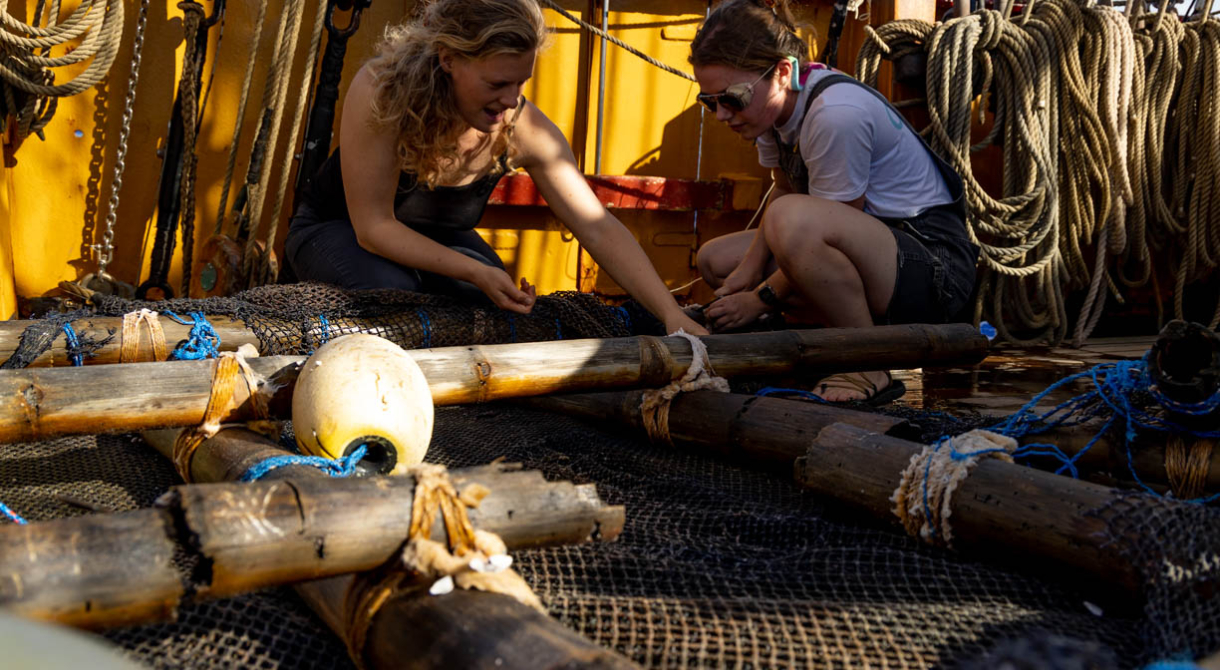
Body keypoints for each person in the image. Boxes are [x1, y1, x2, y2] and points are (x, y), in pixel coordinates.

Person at [286, 0, 706, 336]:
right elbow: (374, 228)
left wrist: (670, 313)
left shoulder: (524, 128)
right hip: (337, 230)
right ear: (449, 59)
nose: (511, 100)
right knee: (395, 295)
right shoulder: (383, 90)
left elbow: (597, 227)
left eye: (521, 83)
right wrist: (475, 270)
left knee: (498, 310)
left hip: (435, 243)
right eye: (497, 84)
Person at [689, 0, 978, 402]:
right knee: (717, 260)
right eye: (710, 101)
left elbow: (816, 227)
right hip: (873, 254)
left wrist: (759, 298)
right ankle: (808, 348)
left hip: (933, 271)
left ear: (782, 72)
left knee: (792, 221)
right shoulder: (770, 111)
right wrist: (748, 272)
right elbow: (784, 188)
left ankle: (866, 362)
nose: (722, 114)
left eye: (732, 98)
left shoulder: (835, 115)